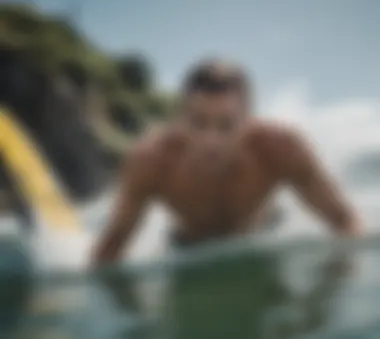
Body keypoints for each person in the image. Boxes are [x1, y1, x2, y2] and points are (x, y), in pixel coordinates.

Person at [93, 59, 363, 265]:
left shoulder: (281, 148)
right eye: (198, 123)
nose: (211, 141)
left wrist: (337, 279)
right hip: (188, 250)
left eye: (226, 125)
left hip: (261, 237)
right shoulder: (151, 161)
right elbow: (109, 252)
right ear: (180, 118)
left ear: (248, 121)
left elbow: (345, 221)